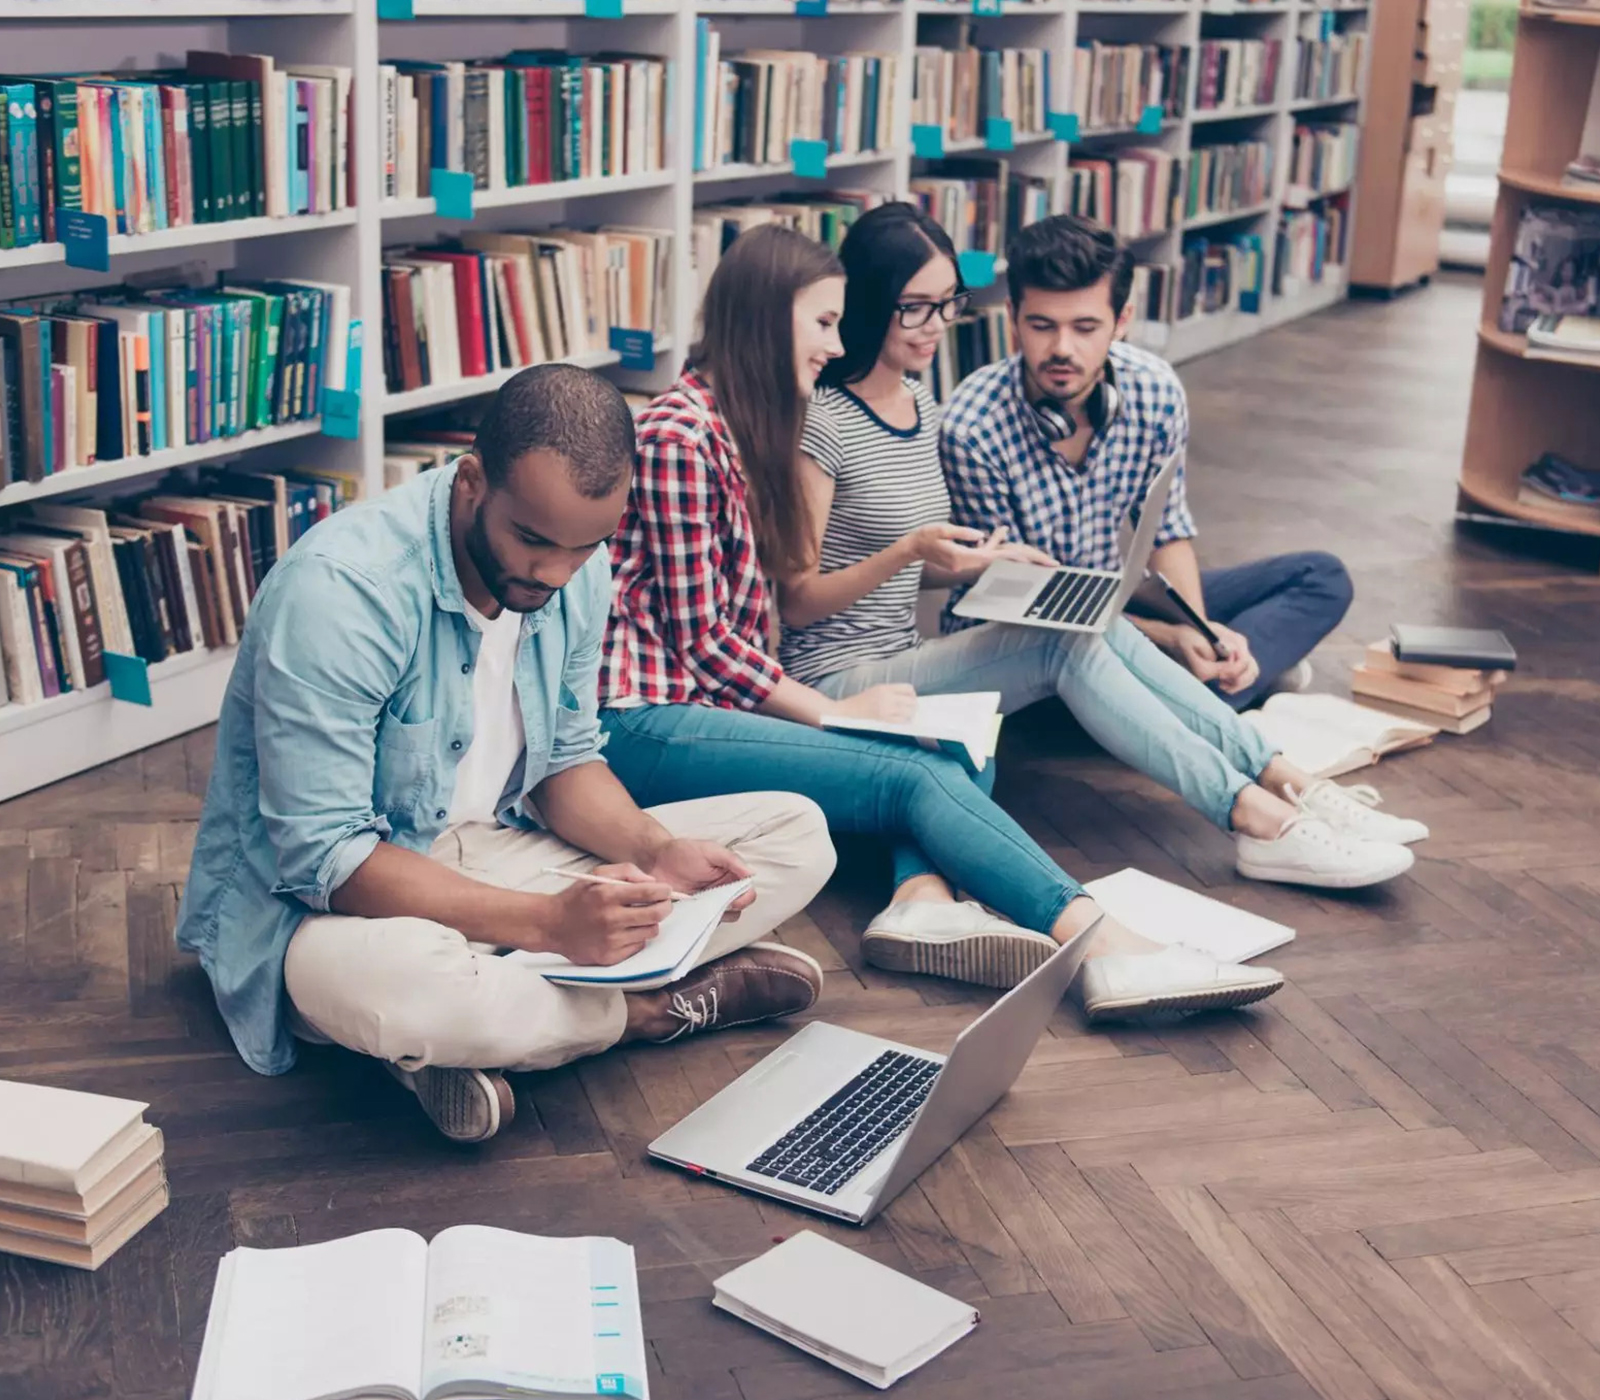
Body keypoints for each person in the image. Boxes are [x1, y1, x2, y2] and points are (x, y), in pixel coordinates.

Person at [599, 221, 1285, 1022]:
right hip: (651, 718)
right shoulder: (684, 436)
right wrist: (830, 709)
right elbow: (709, 644)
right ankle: (1107, 946)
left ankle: (925, 899)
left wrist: (965, 566)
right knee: (922, 767)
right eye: (824, 322)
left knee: (955, 737)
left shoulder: (731, 429)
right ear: (766, 317)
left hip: (712, 702)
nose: (834, 342)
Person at [174, 364, 838, 1145]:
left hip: (495, 853)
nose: (552, 573)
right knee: (412, 988)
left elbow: (564, 765)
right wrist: (551, 925)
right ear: (471, 482)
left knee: (796, 833)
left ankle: (481, 1032)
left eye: (584, 547)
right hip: (326, 906)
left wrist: (657, 853)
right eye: (530, 540)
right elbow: (327, 860)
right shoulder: (343, 592)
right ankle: (640, 1011)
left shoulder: (574, 575)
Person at [775, 201, 1425, 889]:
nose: (937, 325)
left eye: (947, 304)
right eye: (916, 307)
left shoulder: (919, 404)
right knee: (1071, 635)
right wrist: (913, 553)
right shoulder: (827, 420)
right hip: (836, 684)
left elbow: (917, 576)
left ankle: (1288, 781)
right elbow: (797, 602)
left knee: (1092, 619)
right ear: (873, 301)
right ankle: (1259, 821)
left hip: (905, 658)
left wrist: (968, 563)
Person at [941, 213, 1354, 712]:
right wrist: (1169, 641)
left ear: (1122, 321)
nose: (1062, 349)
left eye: (1086, 327)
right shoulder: (972, 426)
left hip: (1113, 600)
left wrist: (1198, 634)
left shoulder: (1154, 390)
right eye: (1041, 326)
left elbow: (1166, 533)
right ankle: (1232, 689)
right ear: (1012, 317)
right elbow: (1017, 603)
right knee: (1095, 680)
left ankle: (1212, 686)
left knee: (1321, 576)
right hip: (1026, 640)